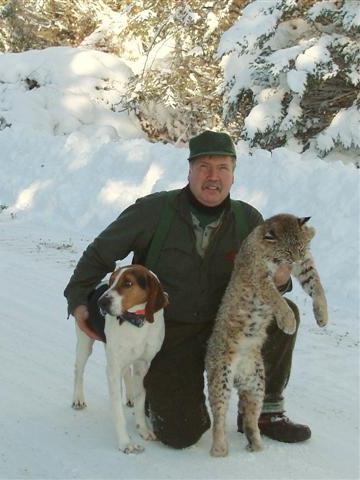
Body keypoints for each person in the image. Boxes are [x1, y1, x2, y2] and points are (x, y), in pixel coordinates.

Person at [64, 130, 311, 449]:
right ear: (190, 170)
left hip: (224, 326)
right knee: (181, 433)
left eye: (223, 168)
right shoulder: (152, 212)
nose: (213, 177)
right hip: (168, 333)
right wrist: (78, 300)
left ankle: (265, 411)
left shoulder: (247, 219)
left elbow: (273, 278)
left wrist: (281, 279)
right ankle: (158, 392)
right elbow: (99, 253)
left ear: (233, 174)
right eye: (204, 167)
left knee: (284, 314)